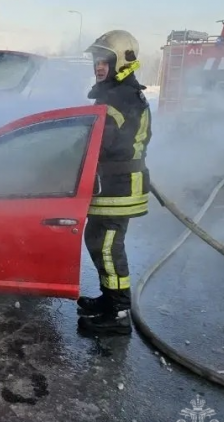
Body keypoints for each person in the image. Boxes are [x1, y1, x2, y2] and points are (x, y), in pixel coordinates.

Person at [77, 30, 152, 336]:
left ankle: (118, 314)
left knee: (107, 247)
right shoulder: (120, 93)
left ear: (122, 61)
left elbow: (97, 143)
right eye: (97, 60)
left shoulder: (119, 99)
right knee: (99, 241)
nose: (98, 66)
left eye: (105, 60)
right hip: (111, 184)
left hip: (118, 188)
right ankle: (109, 299)